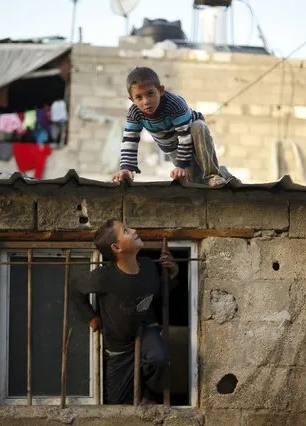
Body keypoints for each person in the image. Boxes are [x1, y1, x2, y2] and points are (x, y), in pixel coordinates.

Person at [70, 218, 179, 404]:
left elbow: (158, 293)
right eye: (126, 231)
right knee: (117, 407)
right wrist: (91, 316)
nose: (135, 230)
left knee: (159, 359)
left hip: (145, 332)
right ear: (117, 248)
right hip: (118, 350)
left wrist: (173, 274)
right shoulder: (104, 276)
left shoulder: (148, 266)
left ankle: (149, 394)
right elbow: (74, 287)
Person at [113, 66, 236, 187]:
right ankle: (224, 173)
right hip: (173, 148)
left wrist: (181, 165)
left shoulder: (174, 104)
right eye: (139, 97)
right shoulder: (135, 113)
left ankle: (213, 175)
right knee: (195, 182)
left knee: (198, 126)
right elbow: (129, 140)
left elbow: (185, 135)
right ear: (132, 99)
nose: (146, 101)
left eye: (150, 93)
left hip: (192, 135)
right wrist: (126, 168)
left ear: (160, 90)